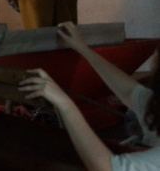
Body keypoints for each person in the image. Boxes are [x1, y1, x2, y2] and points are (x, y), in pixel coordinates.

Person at [20, 22, 160, 169]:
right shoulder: (155, 104)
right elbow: (129, 92)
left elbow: (105, 167)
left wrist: (65, 104)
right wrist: (82, 48)